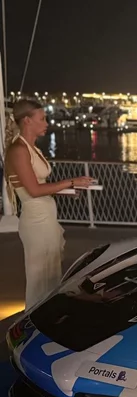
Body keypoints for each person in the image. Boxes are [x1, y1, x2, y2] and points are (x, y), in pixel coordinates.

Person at [4, 99, 94, 308]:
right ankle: (32, 322)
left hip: (46, 220)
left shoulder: (31, 148)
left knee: (50, 280)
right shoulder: (19, 150)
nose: (46, 123)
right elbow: (33, 191)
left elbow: (39, 186)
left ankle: (46, 319)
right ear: (27, 121)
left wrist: (67, 191)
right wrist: (71, 182)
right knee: (39, 283)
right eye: (42, 119)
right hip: (36, 223)